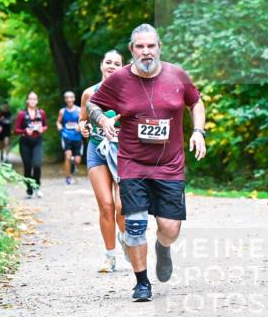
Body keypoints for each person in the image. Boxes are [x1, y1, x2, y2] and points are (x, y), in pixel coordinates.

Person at [86, 24, 206, 302]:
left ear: (159, 48)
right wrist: (102, 119)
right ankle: (142, 283)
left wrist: (199, 131)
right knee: (135, 224)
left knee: (170, 228)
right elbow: (93, 104)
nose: (146, 51)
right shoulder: (119, 80)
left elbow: (196, 103)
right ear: (132, 51)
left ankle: (163, 249)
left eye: (151, 46)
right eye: (140, 47)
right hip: (132, 163)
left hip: (170, 165)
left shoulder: (177, 75)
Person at [81, 50, 128, 273]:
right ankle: (109, 257)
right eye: (108, 62)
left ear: (123, 67)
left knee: (122, 206)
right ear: (101, 65)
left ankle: (127, 240)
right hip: (97, 150)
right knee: (106, 206)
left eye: (117, 63)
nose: (112, 66)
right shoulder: (89, 93)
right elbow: (82, 121)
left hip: (122, 152)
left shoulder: (129, 92)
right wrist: (83, 127)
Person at [14, 92, 48, 198]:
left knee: (37, 165)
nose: (32, 101)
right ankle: (29, 189)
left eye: (34, 99)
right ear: (27, 101)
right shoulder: (22, 114)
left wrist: (42, 129)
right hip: (25, 143)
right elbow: (15, 130)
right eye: (30, 99)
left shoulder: (41, 113)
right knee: (27, 167)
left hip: (37, 141)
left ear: (37, 101)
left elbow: (45, 126)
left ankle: (37, 186)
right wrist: (24, 131)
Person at [57, 91, 83, 185]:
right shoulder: (62, 111)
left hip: (77, 137)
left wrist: (80, 125)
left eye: (70, 97)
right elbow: (58, 122)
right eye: (67, 98)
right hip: (66, 135)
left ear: (74, 98)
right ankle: (68, 177)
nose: (69, 99)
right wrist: (59, 126)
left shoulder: (79, 110)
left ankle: (72, 166)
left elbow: (83, 121)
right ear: (65, 99)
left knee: (77, 160)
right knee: (67, 156)